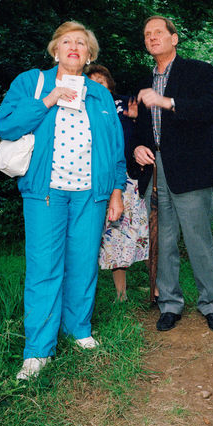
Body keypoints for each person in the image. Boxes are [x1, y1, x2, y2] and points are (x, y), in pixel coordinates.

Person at [0, 21, 126, 380]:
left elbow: (115, 147)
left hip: (91, 195)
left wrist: (117, 190)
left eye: (81, 43)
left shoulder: (98, 95)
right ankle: (38, 351)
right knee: (44, 267)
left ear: (89, 55)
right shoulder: (31, 83)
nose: (74, 47)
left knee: (83, 263)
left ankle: (78, 329)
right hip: (46, 193)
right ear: (55, 50)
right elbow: (6, 125)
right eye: (66, 42)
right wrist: (47, 100)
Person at [132, 15, 213, 332]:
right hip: (154, 171)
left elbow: (211, 110)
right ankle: (169, 304)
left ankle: (211, 304)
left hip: (190, 170)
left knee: (198, 240)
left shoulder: (198, 71)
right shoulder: (141, 80)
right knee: (163, 241)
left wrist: (167, 101)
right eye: (147, 34)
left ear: (174, 38)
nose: (152, 37)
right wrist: (136, 148)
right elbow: (135, 127)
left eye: (159, 32)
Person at [86, 64, 149, 303]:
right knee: (112, 237)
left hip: (130, 178)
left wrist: (135, 120)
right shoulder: (83, 109)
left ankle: (155, 284)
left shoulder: (126, 104)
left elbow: (150, 130)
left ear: (110, 85)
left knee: (139, 232)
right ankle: (120, 294)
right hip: (97, 181)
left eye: (101, 82)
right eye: (92, 83)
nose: (97, 87)